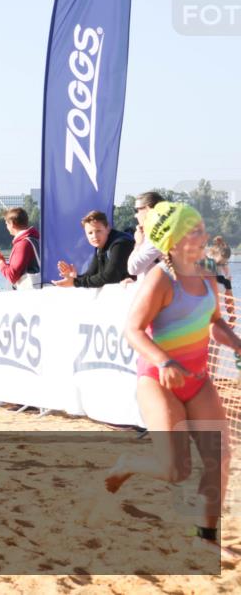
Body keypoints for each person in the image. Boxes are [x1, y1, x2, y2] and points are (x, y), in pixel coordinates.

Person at [106, 202, 241, 559]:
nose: (203, 232)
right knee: (175, 469)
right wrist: (163, 360)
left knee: (221, 456)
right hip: (157, 380)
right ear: (174, 241)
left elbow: (214, 322)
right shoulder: (160, 280)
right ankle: (127, 464)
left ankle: (206, 537)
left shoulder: (208, 271)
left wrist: (238, 345)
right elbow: (133, 331)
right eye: (194, 229)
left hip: (197, 380)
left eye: (200, 225)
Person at [53, 210, 133, 287]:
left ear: (108, 229)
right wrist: (74, 277)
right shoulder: (99, 245)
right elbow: (91, 274)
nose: (94, 236)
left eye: (98, 231)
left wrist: (75, 282)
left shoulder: (121, 244)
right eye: (90, 233)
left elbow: (110, 277)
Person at [0, 207, 40, 289]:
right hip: (41, 290)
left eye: (6, 224)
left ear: (12, 224)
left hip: (30, 295)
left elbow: (12, 276)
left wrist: (0, 262)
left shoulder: (23, 244)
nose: (7, 227)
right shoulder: (35, 239)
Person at [126, 191, 165, 277]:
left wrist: (138, 244)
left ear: (149, 209)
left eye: (137, 210)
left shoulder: (158, 235)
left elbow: (133, 268)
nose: (135, 215)